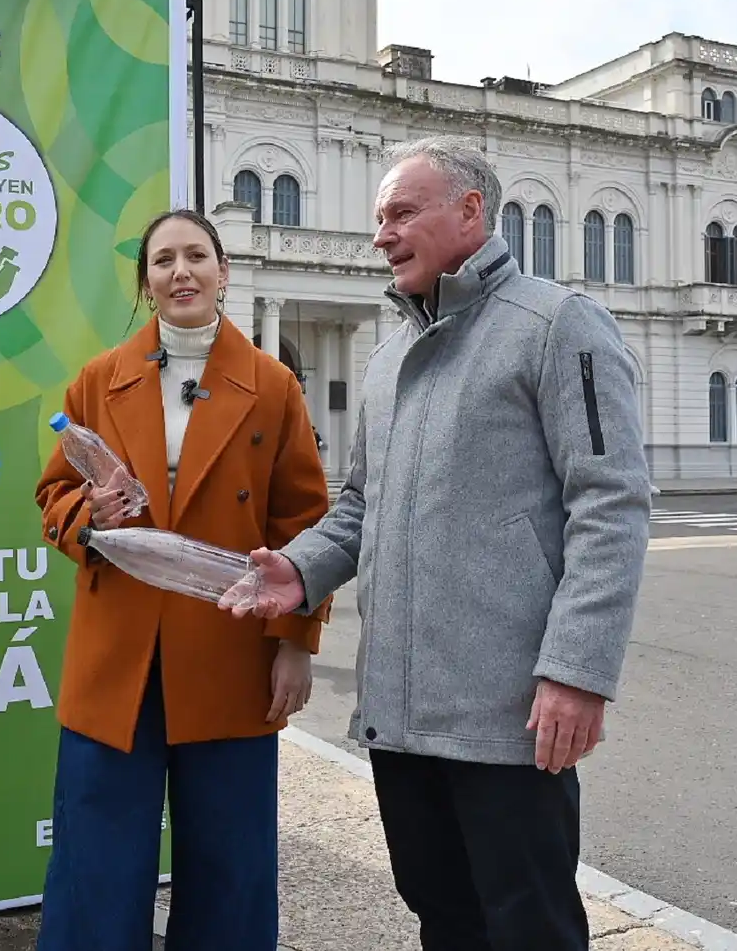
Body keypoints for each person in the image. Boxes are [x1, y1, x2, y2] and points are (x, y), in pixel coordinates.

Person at [224, 138, 651, 951]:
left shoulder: (559, 326)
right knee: (441, 916)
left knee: (530, 927)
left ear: (469, 212)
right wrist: (300, 568)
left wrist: (578, 670)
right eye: (378, 218)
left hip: (510, 713)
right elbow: (359, 504)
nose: (381, 234)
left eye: (400, 212)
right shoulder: (386, 361)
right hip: (402, 713)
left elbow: (612, 503)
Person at [34, 208, 331, 951]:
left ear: (223, 271)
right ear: (147, 282)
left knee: (230, 864)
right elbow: (52, 495)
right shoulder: (99, 379)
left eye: (196, 255)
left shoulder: (273, 383)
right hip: (116, 659)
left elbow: (306, 521)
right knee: (96, 861)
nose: (181, 271)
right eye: (163, 260)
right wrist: (89, 513)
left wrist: (295, 641)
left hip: (230, 652)